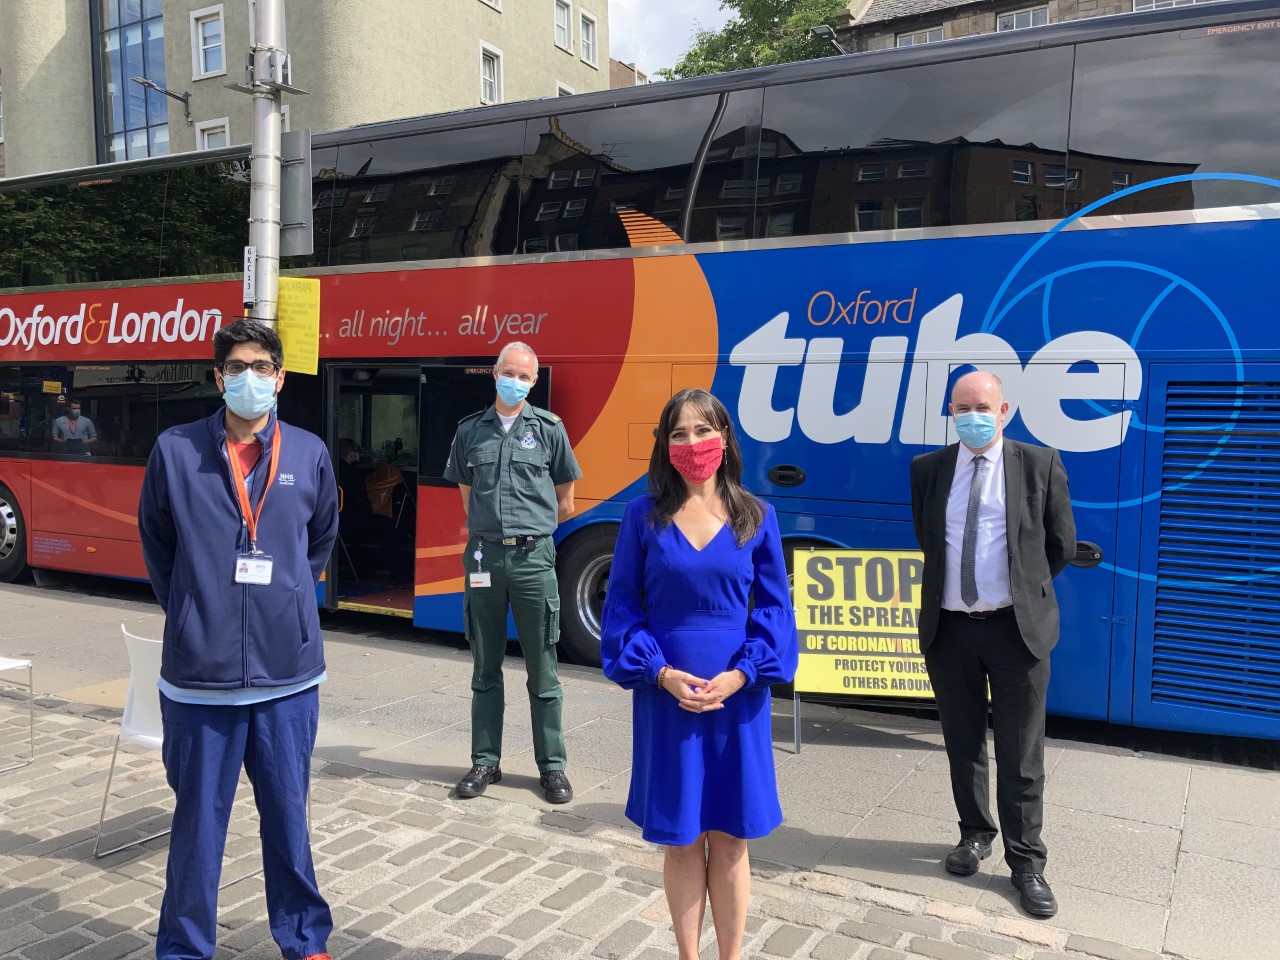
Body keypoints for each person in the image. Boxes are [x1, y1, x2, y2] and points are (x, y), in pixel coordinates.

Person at [138, 318, 338, 960]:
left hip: (289, 677)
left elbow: (322, 536)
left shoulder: (307, 453)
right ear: (217, 377)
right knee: (197, 829)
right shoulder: (175, 450)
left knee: (288, 822)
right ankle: (184, 948)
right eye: (235, 368)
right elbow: (158, 546)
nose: (248, 378)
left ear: (280, 378)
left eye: (261, 367)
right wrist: (199, 610)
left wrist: (287, 603)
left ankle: (304, 938)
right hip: (200, 680)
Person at [601, 388, 798, 960]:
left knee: (733, 840)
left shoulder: (757, 516)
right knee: (683, 840)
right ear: (664, 444)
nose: (693, 443)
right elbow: (621, 608)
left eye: (704, 430)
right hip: (669, 698)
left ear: (725, 439)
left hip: (739, 698)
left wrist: (743, 674)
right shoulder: (642, 516)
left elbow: (774, 611)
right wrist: (660, 673)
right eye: (679, 433)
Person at [909, 370, 1076, 918]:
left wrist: (1019, 594)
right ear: (950, 413)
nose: (973, 416)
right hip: (950, 630)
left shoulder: (1040, 463)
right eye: (962, 408)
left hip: (1015, 632)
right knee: (962, 743)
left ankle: (1026, 861)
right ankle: (975, 833)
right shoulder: (928, 470)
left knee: (1022, 754)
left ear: (1004, 411)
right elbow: (929, 540)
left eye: (983, 406)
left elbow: (1061, 545)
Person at [443, 340, 582, 804]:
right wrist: (494, 532)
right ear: (494, 372)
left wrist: (528, 533)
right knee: (485, 667)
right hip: (483, 558)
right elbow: (467, 495)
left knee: (543, 669)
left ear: (535, 382)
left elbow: (566, 500)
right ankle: (486, 761)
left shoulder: (549, 430)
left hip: (533, 560)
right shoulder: (469, 431)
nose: (516, 381)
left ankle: (552, 768)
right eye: (510, 372)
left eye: (525, 376)